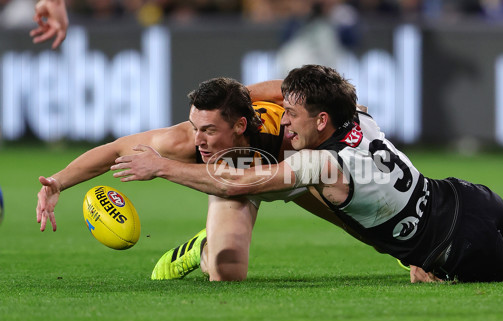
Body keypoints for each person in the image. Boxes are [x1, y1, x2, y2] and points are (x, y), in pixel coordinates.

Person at [112, 64, 503, 282]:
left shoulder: (317, 163)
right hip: (464, 197)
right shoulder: (361, 117)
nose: (285, 120)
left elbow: (234, 182)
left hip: (450, 244)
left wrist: (163, 168)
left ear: (320, 120)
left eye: (294, 114)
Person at [36, 78, 341, 281]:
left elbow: (294, 93)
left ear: (239, 125)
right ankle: (200, 248)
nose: (198, 140)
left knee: (354, 217)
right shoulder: (181, 141)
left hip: (289, 172)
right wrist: (58, 182)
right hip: (231, 186)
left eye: (208, 130)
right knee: (227, 271)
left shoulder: (285, 129)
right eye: (196, 127)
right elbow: (115, 149)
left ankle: (391, 244)